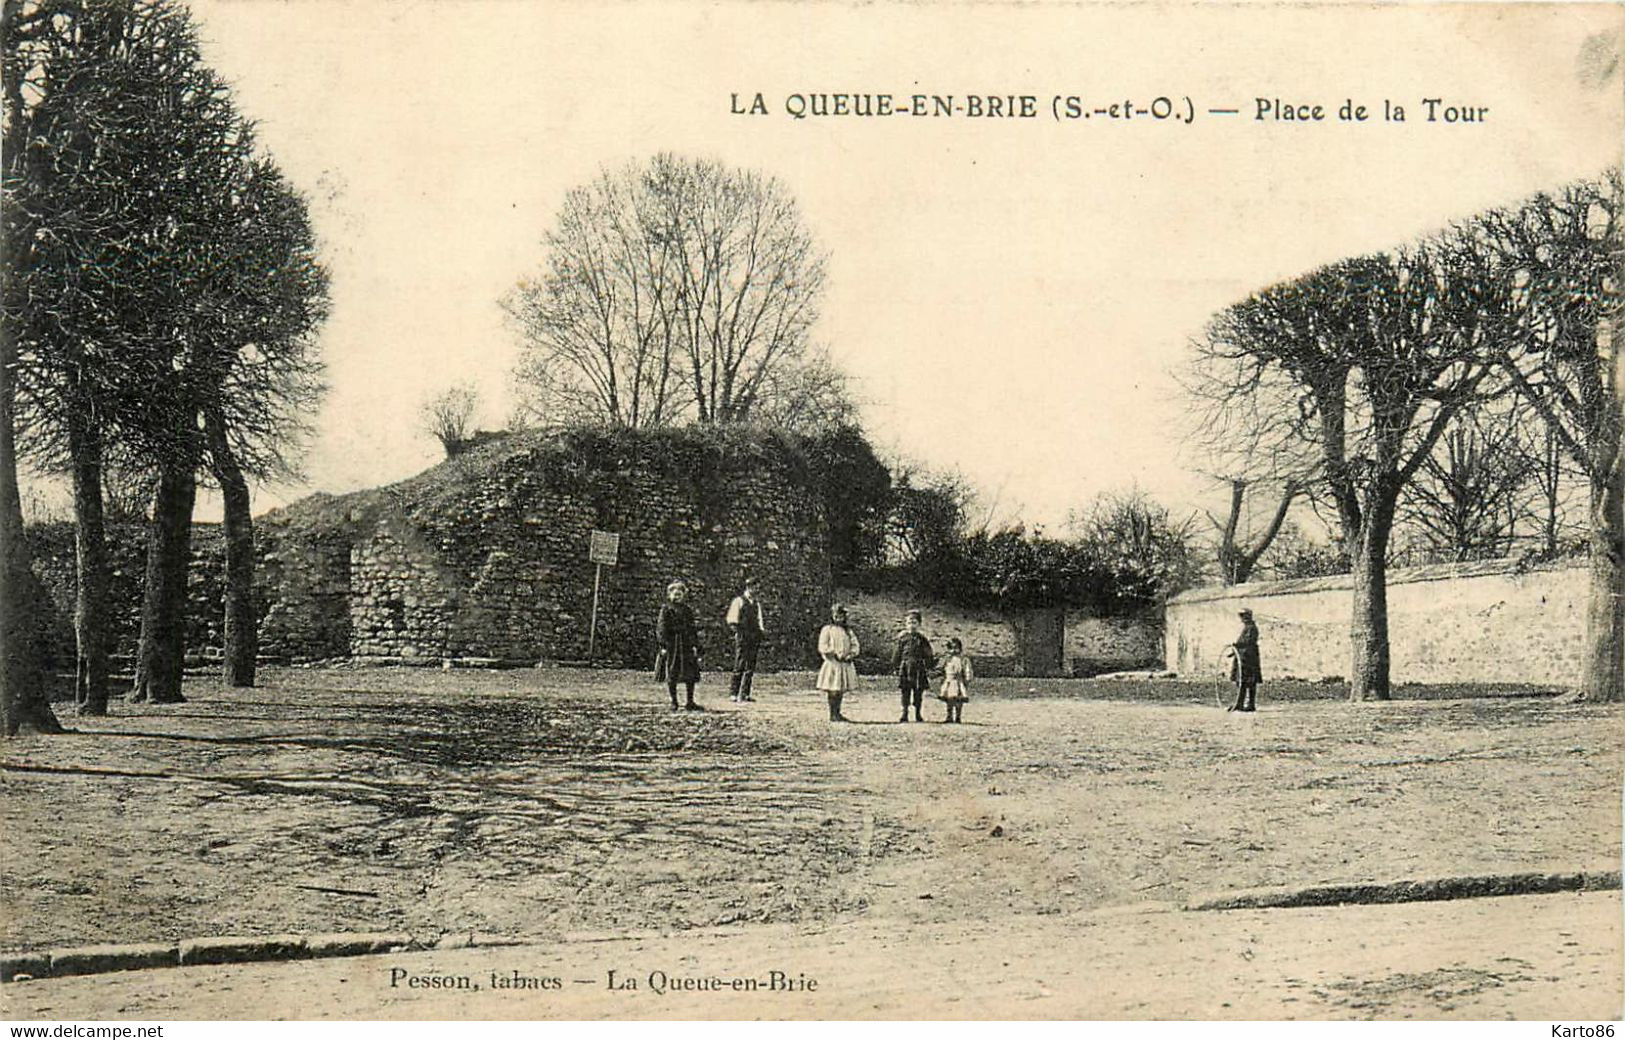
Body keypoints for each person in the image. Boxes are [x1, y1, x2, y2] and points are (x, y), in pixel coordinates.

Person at [655, 580, 702, 712]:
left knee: (690, 674)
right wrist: (663, 645)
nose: (677, 597)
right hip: (673, 644)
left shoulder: (687, 610)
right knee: (672, 672)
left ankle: (690, 701)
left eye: (679, 594)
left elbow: (692, 628)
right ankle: (674, 701)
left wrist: (694, 645)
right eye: (674, 594)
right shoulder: (666, 609)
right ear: (670, 595)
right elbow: (661, 628)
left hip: (686, 644)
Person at [816, 604, 860, 722]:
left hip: (844, 664)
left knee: (840, 689)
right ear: (832, 616)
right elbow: (822, 646)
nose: (838, 619)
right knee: (833, 689)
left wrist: (851, 654)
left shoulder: (848, 631)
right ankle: (832, 713)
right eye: (836, 616)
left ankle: (838, 712)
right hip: (833, 664)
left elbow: (855, 645)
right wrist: (832, 654)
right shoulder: (827, 629)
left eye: (841, 616)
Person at [725, 577, 766, 703]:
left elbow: (760, 621)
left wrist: (760, 632)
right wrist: (739, 633)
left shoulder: (756, 603)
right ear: (749, 587)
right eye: (755, 587)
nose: (757, 590)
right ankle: (733, 692)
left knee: (750, 665)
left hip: (754, 636)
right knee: (740, 663)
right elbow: (732, 620)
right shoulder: (739, 601)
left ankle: (745, 693)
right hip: (743, 635)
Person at [893, 609, 935, 723]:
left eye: (914, 623)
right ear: (906, 624)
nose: (912, 625)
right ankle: (904, 713)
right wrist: (895, 666)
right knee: (905, 691)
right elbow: (897, 653)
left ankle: (918, 713)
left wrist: (929, 665)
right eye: (909, 623)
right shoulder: (902, 638)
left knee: (918, 691)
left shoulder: (922, 639)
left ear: (919, 625)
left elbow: (928, 653)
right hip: (905, 667)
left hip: (918, 668)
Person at [1228, 607, 1262, 712]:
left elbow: (1248, 642)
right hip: (1243, 658)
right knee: (1242, 681)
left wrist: (1236, 645)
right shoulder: (1247, 628)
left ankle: (1250, 704)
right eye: (1241, 616)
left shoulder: (1252, 628)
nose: (1242, 618)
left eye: (1243, 616)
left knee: (1249, 682)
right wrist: (1234, 651)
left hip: (1249, 659)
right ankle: (1239, 704)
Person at [937, 637, 973, 723]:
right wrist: (936, 673)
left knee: (959, 700)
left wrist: (967, 678)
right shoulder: (947, 659)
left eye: (956, 648)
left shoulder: (963, 659)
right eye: (951, 648)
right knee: (949, 699)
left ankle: (958, 716)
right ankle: (949, 716)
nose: (954, 650)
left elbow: (967, 668)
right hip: (949, 681)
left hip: (958, 681)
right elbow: (940, 667)